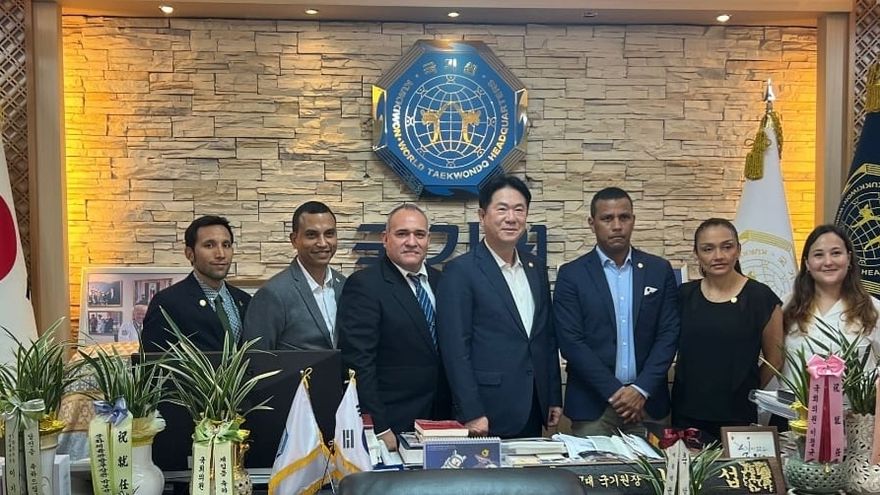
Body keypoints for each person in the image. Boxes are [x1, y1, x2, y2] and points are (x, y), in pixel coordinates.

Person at [437, 175, 562, 438]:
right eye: (502, 209)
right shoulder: (461, 271)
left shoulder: (535, 267)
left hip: (533, 404)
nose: (511, 218)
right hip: (487, 410)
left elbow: (546, 337)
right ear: (482, 216)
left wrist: (552, 395)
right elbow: (455, 349)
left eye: (519, 209)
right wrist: (471, 411)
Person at [554, 187, 679, 437]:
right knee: (594, 466)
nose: (617, 226)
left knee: (654, 465)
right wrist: (616, 392)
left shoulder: (658, 270)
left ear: (633, 220)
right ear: (592, 223)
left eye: (624, 217)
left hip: (648, 404)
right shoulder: (572, 275)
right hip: (594, 407)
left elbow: (669, 334)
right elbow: (571, 342)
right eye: (607, 218)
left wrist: (640, 390)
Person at [337, 203, 452, 451]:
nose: (412, 242)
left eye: (419, 234)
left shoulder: (444, 282)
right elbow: (358, 363)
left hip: (444, 421)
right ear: (385, 238)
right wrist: (379, 426)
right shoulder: (365, 285)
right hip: (394, 424)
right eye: (402, 234)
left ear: (428, 239)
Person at [671, 218, 784, 440]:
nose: (718, 256)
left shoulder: (761, 297)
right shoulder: (683, 295)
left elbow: (775, 360)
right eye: (708, 249)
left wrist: (746, 389)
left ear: (738, 250)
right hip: (687, 414)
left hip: (738, 416)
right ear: (696, 254)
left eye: (727, 247)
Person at [782, 224, 880, 386]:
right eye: (818, 255)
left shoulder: (872, 309)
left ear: (849, 258)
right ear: (807, 263)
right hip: (792, 402)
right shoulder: (786, 306)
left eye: (836, 253)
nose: (828, 262)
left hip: (854, 404)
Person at [241, 201, 346, 350]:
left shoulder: (345, 285)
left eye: (329, 234)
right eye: (312, 235)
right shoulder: (273, 294)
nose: (323, 243)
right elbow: (257, 357)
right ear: (294, 240)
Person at [142, 215, 251, 352]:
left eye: (226, 245)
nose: (221, 254)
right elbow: (151, 360)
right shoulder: (167, 304)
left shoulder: (245, 301)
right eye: (209, 245)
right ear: (190, 254)